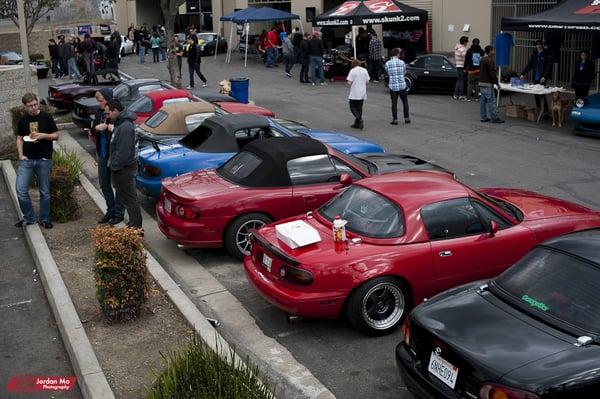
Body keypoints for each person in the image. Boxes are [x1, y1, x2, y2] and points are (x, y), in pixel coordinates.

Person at [15, 93, 59, 229]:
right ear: (25, 107)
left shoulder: (46, 117)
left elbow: (56, 136)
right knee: (21, 190)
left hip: (44, 159)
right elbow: (19, 138)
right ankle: (29, 218)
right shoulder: (22, 120)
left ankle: (44, 219)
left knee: (44, 191)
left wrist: (44, 135)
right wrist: (21, 155)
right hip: (27, 160)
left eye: (35, 104)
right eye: (30, 106)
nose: (33, 108)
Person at [106, 99, 142, 230]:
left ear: (115, 111)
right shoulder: (120, 124)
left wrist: (114, 166)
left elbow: (124, 151)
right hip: (122, 168)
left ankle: (136, 227)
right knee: (127, 198)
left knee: (130, 199)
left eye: (108, 113)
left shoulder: (125, 126)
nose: (107, 116)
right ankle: (134, 224)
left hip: (125, 169)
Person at [90, 89, 125, 225]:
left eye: (101, 100)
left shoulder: (116, 114)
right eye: (98, 101)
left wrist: (111, 128)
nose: (99, 103)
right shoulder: (99, 113)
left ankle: (119, 213)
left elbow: (124, 131)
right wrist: (96, 128)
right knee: (104, 183)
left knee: (118, 185)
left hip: (114, 154)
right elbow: (92, 127)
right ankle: (110, 209)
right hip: (103, 153)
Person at [520, 39, 552, 115]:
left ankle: (545, 111)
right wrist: (523, 73)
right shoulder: (534, 54)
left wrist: (544, 76)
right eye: (537, 44)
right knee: (536, 94)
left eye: (540, 44)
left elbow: (548, 66)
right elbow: (529, 65)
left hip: (542, 77)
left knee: (541, 95)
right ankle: (539, 109)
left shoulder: (546, 54)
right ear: (535, 45)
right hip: (535, 77)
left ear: (542, 45)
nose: (538, 46)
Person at [479, 45, 504, 124]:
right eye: (493, 50)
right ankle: (494, 118)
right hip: (488, 84)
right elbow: (492, 74)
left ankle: (483, 117)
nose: (494, 51)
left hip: (481, 83)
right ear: (490, 51)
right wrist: (497, 83)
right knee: (491, 101)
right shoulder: (490, 60)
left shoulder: (482, 59)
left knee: (483, 101)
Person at [385, 48, 410, 125]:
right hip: (402, 85)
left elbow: (388, 73)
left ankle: (395, 119)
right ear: (397, 54)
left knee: (394, 103)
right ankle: (406, 118)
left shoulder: (387, 63)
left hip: (393, 86)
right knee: (405, 102)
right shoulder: (402, 62)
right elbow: (404, 72)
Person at [347, 59, 370, 129]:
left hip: (355, 92)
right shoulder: (364, 70)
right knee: (359, 108)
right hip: (363, 91)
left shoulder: (352, 71)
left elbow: (349, 82)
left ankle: (359, 119)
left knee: (352, 107)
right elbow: (367, 81)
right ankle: (356, 123)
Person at [453, 36, 468, 100]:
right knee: (462, 81)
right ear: (464, 42)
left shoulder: (457, 47)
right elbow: (465, 57)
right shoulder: (463, 49)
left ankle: (455, 95)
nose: (467, 42)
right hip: (462, 66)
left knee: (458, 80)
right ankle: (461, 95)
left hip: (458, 65)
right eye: (467, 41)